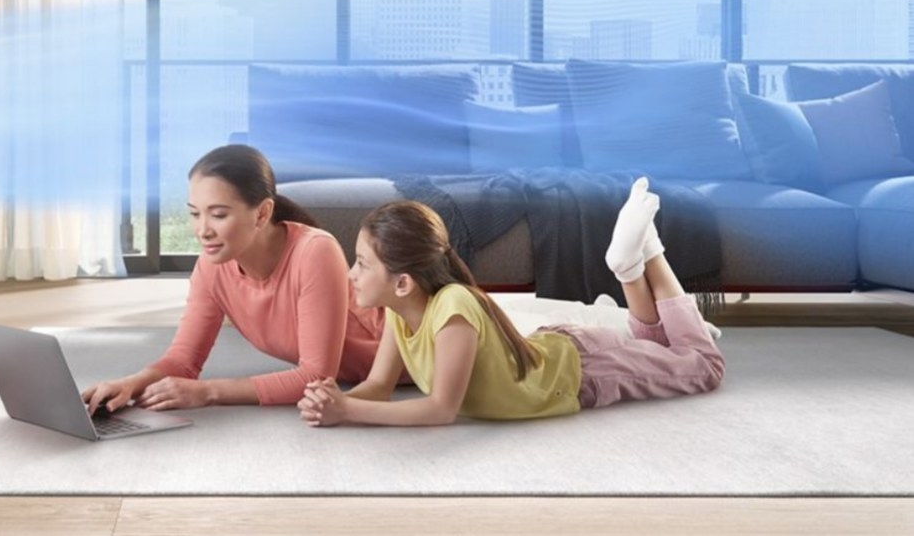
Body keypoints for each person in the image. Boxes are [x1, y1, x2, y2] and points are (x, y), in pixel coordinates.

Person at [297, 178, 725, 427]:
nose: (351, 273)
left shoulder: (453, 309)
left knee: (703, 366)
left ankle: (650, 252)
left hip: (583, 372)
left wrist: (348, 411)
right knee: (657, 346)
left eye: (361, 263)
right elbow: (378, 387)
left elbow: (442, 409)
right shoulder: (398, 312)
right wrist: (332, 398)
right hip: (560, 349)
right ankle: (631, 265)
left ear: (403, 282)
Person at [82, 144, 388, 413]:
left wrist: (208, 392)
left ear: (262, 213)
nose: (202, 230)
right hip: (355, 374)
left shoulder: (314, 251)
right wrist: (128, 385)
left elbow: (316, 376)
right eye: (194, 214)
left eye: (218, 215)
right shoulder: (211, 267)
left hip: (413, 358)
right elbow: (183, 361)